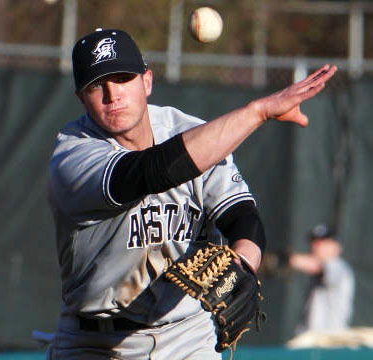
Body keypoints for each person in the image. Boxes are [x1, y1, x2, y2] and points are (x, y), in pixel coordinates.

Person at [46, 28, 337, 360]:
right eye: (97, 85)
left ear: (147, 82)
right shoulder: (73, 154)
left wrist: (243, 264)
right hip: (97, 343)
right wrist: (257, 113)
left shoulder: (190, 131)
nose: (113, 95)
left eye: (123, 78)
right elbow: (152, 171)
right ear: (81, 98)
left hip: (188, 337)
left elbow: (243, 217)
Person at [289, 224, 355, 335]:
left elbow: (316, 266)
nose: (315, 246)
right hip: (311, 341)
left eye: (322, 242)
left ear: (336, 245)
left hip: (330, 343)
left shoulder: (339, 267)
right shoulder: (321, 272)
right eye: (314, 242)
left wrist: (290, 260)